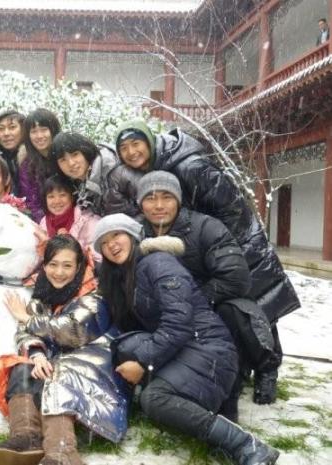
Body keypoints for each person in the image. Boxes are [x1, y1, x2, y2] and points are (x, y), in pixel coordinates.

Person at [113, 118, 300, 404]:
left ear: (150, 141)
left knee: (247, 308)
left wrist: (219, 244)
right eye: (123, 148)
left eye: (136, 143)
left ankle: (266, 367)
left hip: (234, 244)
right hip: (192, 254)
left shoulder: (190, 167)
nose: (131, 152)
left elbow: (232, 209)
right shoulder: (152, 191)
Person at [93, 214, 280, 465]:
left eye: (116, 235)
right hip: (185, 346)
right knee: (124, 346)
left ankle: (247, 446)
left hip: (209, 348)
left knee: (155, 400)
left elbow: (178, 323)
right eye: (104, 243)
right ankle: (195, 397)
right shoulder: (126, 274)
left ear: (133, 235)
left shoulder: (158, 263)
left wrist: (142, 363)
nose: (112, 245)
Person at [136, 171, 275, 421]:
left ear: (178, 200)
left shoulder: (205, 227)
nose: (158, 205)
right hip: (169, 308)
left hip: (210, 302)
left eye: (166, 197)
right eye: (150, 198)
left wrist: (193, 300)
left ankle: (261, 368)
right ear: (140, 204)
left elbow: (236, 278)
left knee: (234, 311)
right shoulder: (135, 233)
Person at [0, 235, 126, 465]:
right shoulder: (43, 293)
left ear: (79, 267)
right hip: (58, 367)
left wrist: (27, 318)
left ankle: (63, 452)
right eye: (53, 264)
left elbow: (72, 330)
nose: (59, 272)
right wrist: (37, 354)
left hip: (96, 372)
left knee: (60, 372)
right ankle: (26, 437)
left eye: (67, 265)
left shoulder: (94, 294)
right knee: (22, 366)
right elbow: (26, 332)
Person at [51, 132, 120, 216]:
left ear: (85, 151)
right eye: (63, 160)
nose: (71, 163)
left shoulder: (114, 172)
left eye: (75, 155)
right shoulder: (79, 184)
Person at [38, 175, 101, 262]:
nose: (57, 201)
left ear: (72, 197)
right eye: (51, 196)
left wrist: (70, 244)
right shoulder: (43, 224)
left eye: (62, 195)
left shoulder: (88, 221)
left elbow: (99, 258)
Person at [19, 108, 61, 221]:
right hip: (44, 222)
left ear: (53, 130)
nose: (39, 136)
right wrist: (47, 224)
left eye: (44, 130)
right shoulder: (27, 165)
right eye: (34, 132)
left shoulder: (64, 157)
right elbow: (32, 203)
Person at [0, 110, 26, 195]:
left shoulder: (32, 156)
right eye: (1, 129)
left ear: (23, 130)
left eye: (12, 127)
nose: (6, 133)